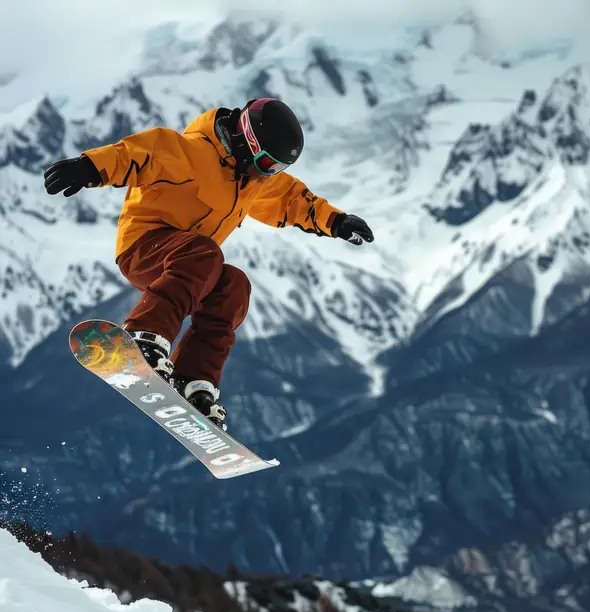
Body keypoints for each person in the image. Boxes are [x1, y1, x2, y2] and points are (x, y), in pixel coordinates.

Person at [43, 98, 374, 430]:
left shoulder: (252, 179)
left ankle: (193, 380)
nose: (267, 175)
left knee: (234, 285)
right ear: (248, 142)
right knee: (205, 253)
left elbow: (289, 199)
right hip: (144, 248)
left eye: (276, 169)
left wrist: (337, 222)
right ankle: (144, 338)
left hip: (191, 265)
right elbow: (135, 154)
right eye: (267, 164)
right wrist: (88, 167)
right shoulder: (188, 153)